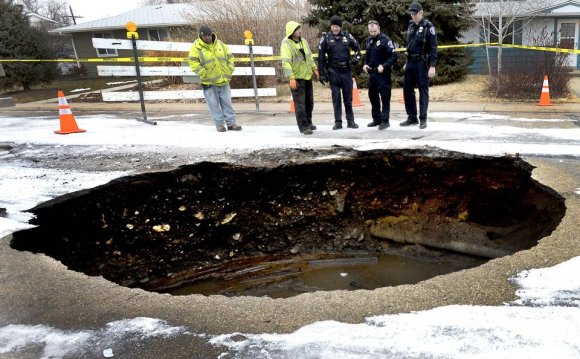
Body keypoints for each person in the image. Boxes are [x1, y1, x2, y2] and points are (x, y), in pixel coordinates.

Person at [188, 25, 242, 132]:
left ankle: (231, 123)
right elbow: (193, 63)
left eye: (209, 35)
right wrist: (203, 73)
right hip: (209, 82)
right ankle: (219, 124)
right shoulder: (196, 48)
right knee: (214, 105)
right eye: (205, 36)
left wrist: (230, 69)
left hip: (223, 80)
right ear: (200, 36)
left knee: (227, 103)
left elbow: (230, 57)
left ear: (211, 34)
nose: (207, 38)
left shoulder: (220, 44)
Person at [318, 15, 362, 130]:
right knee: (336, 98)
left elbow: (357, 48)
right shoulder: (326, 38)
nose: (335, 29)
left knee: (348, 98)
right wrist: (321, 73)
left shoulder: (347, 36)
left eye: (337, 26)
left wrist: (356, 59)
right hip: (333, 72)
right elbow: (321, 56)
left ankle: (351, 121)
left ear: (340, 26)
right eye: (333, 26)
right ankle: (338, 122)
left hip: (346, 71)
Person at [400, 2, 438, 129]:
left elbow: (433, 48)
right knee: (407, 89)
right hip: (410, 62)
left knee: (423, 90)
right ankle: (412, 117)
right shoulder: (410, 25)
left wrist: (432, 66)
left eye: (415, 13)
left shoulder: (428, 27)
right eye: (411, 14)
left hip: (422, 63)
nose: (413, 16)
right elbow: (409, 45)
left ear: (421, 13)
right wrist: (406, 62)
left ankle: (423, 118)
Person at [281, 21, 319, 135]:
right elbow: (286, 63)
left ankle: (309, 122)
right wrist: (291, 77)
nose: (300, 30)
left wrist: (314, 69)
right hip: (297, 78)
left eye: (300, 28)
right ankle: (303, 126)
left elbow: (309, 57)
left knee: (309, 102)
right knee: (300, 104)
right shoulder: (286, 44)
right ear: (292, 31)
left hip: (307, 76)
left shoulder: (304, 41)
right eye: (297, 29)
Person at [362, 20, 398, 130]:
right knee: (373, 96)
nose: (372, 33)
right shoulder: (368, 40)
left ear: (379, 28)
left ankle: (385, 120)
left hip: (383, 74)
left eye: (374, 31)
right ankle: (376, 119)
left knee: (385, 97)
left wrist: (384, 65)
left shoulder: (385, 40)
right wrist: (365, 64)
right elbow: (367, 56)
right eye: (370, 31)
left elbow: (394, 56)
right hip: (372, 74)